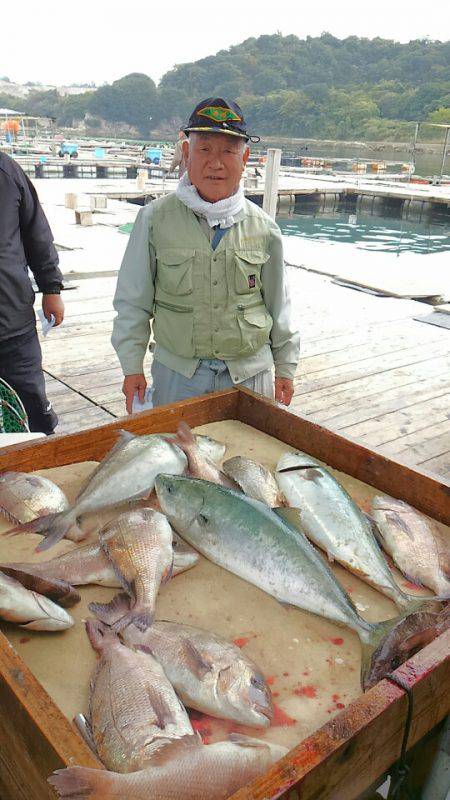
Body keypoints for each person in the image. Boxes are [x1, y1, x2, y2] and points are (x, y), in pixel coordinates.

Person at [112, 97, 300, 412]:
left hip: (250, 374)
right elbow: (132, 301)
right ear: (186, 153)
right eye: (205, 149)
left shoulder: (265, 228)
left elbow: (280, 306)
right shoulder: (154, 219)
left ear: (245, 158)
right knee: (177, 444)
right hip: (178, 374)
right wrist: (132, 366)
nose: (216, 162)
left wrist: (286, 367)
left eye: (228, 151)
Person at [0, 152, 64, 433]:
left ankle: (41, 447)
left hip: (12, 324)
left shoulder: (6, 171)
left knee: (32, 406)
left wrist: (51, 288)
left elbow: (36, 233)